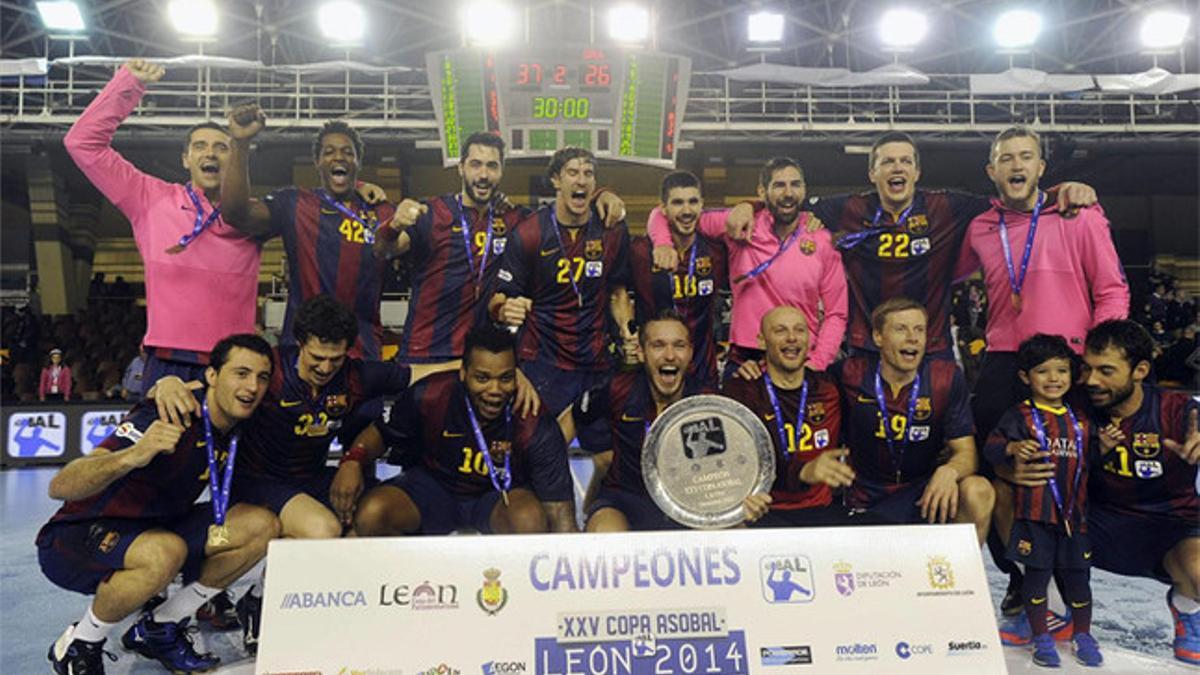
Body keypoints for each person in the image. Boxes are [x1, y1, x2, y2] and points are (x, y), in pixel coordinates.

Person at [149, 295, 452, 653]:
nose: (326, 368)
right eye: (317, 358)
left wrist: (499, 373)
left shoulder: (356, 376)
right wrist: (166, 383)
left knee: (366, 522)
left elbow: (423, 372)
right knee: (322, 529)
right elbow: (206, 385)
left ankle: (266, 600)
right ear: (300, 344)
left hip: (311, 479)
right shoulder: (269, 372)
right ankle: (254, 603)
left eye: (335, 359)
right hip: (257, 479)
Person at [955, 125, 1129, 613]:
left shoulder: (1080, 215)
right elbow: (946, 270)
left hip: (1067, 365)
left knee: (1068, 473)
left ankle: (1071, 576)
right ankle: (1019, 574)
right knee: (999, 469)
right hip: (1003, 364)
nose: (1015, 165)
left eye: (1025, 157)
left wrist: (1100, 358)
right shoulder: (981, 229)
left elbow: (1112, 290)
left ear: (1040, 169)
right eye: (1005, 158)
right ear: (992, 171)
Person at [39, 334, 279, 675]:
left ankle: (160, 626)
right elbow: (60, 485)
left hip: (163, 527)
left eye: (262, 377)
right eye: (240, 373)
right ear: (212, 376)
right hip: (80, 534)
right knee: (164, 552)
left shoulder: (244, 419)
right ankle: (81, 644)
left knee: (260, 524)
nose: (252, 386)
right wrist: (133, 456)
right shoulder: (165, 412)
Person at [801, 131, 1096, 361]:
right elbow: (787, 207)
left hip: (931, 347)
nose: (897, 167)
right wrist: (753, 208)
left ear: (917, 173)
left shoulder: (947, 206)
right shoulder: (846, 208)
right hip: (866, 345)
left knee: (945, 435)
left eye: (906, 161)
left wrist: (1060, 191)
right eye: (887, 162)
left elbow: (1013, 199)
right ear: (872, 174)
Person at [1007, 320, 1199, 665]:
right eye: (1088, 368)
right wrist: (1012, 466)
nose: (1092, 380)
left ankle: (1188, 608)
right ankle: (1051, 607)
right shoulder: (1072, 403)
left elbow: (1196, 418)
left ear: (1140, 370)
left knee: (1198, 568)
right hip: (1092, 523)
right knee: (1005, 492)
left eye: (1106, 371)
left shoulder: (1176, 409)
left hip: (1170, 526)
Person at [63, 60, 261, 389]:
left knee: (236, 444)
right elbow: (82, 144)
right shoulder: (150, 198)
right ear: (186, 159)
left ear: (235, 157)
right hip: (169, 361)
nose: (210, 153)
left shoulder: (253, 216)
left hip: (235, 363)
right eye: (200, 146)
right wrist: (128, 85)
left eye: (222, 148)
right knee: (164, 442)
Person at [379, 131, 625, 367]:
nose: (483, 174)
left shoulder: (515, 220)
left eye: (492, 166)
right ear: (461, 168)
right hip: (427, 353)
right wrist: (393, 225)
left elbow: (564, 211)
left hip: (485, 357)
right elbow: (384, 250)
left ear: (501, 171)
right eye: (476, 164)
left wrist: (602, 195)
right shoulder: (432, 213)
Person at [343, 324, 578, 535]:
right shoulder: (429, 396)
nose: (495, 389)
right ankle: (420, 580)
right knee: (372, 514)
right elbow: (382, 433)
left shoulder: (533, 420)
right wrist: (353, 460)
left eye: (505, 378)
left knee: (528, 519)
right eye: (483, 378)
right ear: (463, 373)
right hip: (433, 489)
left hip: (497, 498)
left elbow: (560, 512)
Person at [560, 310, 771, 531]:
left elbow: (737, 461)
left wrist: (742, 501)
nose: (670, 356)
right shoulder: (617, 388)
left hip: (691, 501)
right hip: (627, 498)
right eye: (658, 345)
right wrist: (551, 483)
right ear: (641, 352)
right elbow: (570, 421)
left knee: (737, 531)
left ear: (690, 353)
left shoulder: (707, 402)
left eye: (679, 345)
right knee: (605, 534)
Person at [645, 157, 847, 378]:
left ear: (804, 190)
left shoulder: (822, 240)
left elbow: (836, 312)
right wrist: (663, 243)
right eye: (779, 185)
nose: (788, 193)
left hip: (800, 358)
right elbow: (669, 214)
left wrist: (818, 361)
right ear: (762, 191)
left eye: (795, 184)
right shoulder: (739, 224)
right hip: (745, 359)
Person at [489, 147, 633, 455]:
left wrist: (626, 330)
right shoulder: (529, 233)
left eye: (588, 174)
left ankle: (600, 504)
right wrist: (504, 309)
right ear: (556, 180)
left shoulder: (613, 231)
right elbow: (500, 298)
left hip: (596, 363)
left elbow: (618, 292)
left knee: (609, 458)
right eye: (572, 173)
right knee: (533, 456)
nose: (580, 180)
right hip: (545, 363)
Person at [220, 105, 393, 360]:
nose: (339, 157)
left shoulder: (382, 212)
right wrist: (240, 144)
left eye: (348, 152)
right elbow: (236, 213)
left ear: (358, 162)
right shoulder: (295, 203)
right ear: (317, 162)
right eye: (329, 152)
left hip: (360, 352)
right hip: (300, 352)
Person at [832, 297, 994, 543]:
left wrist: (949, 471)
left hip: (924, 493)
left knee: (978, 490)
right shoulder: (849, 373)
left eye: (919, 329)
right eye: (901, 329)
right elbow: (798, 381)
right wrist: (755, 370)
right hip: (865, 494)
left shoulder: (946, 378)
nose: (913, 338)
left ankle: (958, 579)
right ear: (878, 337)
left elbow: (967, 454)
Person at [983, 334, 1102, 668]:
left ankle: (1082, 634)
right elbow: (991, 448)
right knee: (1035, 579)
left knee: (1079, 578)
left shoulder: (1080, 419)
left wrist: (1104, 445)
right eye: (1043, 371)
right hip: (1034, 517)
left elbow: (1091, 459)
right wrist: (1010, 449)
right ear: (1025, 377)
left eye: (1061, 371)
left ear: (1072, 375)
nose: (1054, 379)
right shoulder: (1019, 416)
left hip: (1074, 518)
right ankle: (1041, 638)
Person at [723, 306, 864, 527]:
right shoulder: (741, 392)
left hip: (822, 512)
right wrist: (803, 471)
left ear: (809, 339)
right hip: (764, 513)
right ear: (761, 341)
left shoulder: (830, 388)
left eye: (800, 330)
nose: (791, 338)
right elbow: (733, 464)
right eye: (780, 330)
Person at [628, 171, 727, 387]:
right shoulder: (640, 252)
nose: (686, 210)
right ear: (663, 209)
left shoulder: (717, 252)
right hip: (655, 372)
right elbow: (615, 292)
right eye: (677, 203)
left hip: (702, 371)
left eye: (693, 202)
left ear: (702, 204)